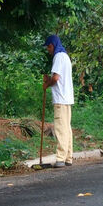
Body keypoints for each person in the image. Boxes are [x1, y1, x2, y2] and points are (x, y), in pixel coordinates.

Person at [43, 35, 74, 168]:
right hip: (67, 98)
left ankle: (60, 158)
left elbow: (55, 78)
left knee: (61, 129)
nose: (48, 50)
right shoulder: (65, 56)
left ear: (53, 45)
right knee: (67, 128)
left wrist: (46, 84)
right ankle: (68, 157)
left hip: (60, 99)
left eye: (48, 47)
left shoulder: (58, 57)